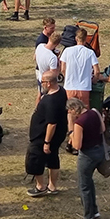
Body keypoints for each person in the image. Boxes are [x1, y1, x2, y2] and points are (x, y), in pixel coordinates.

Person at [26, 68, 68, 197]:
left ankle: (40, 186)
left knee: (36, 159)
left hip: (43, 136)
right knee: (52, 158)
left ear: (49, 83)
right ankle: (52, 186)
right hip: (59, 134)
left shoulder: (51, 101)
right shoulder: (61, 91)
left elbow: (51, 124)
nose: (41, 84)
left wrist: (46, 142)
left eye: (42, 82)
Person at [67, 97, 106, 219]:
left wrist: (71, 132)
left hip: (87, 155)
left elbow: (77, 146)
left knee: (84, 186)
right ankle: (94, 211)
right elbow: (103, 129)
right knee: (90, 183)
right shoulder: (95, 112)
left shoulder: (80, 123)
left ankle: (88, 218)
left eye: (69, 111)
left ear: (73, 109)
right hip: (99, 151)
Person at [61, 28, 100, 106]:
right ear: (86, 39)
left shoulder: (67, 51)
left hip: (70, 86)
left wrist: (68, 77)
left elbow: (63, 69)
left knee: (71, 111)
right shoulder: (90, 53)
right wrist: (94, 80)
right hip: (84, 87)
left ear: (76, 38)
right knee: (84, 112)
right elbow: (97, 71)